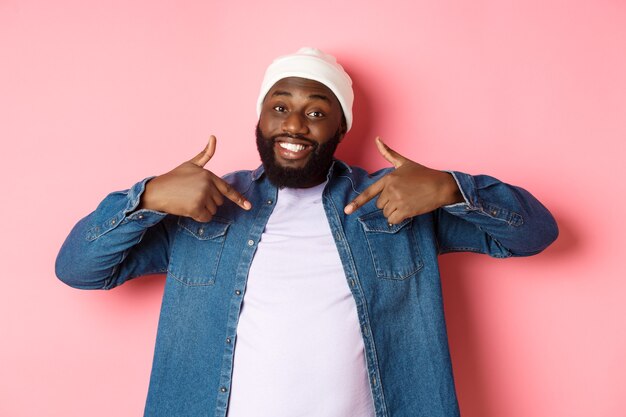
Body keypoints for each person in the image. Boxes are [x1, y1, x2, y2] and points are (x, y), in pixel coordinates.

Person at [56, 47, 558, 417]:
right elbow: (78, 269)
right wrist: (145, 199)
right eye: (279, 107)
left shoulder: (396, 200)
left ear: (340, 128)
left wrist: (451, 188)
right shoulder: (204, 203)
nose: (294, 124)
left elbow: (535, 234)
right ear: (259, 117)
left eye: (317, 111)